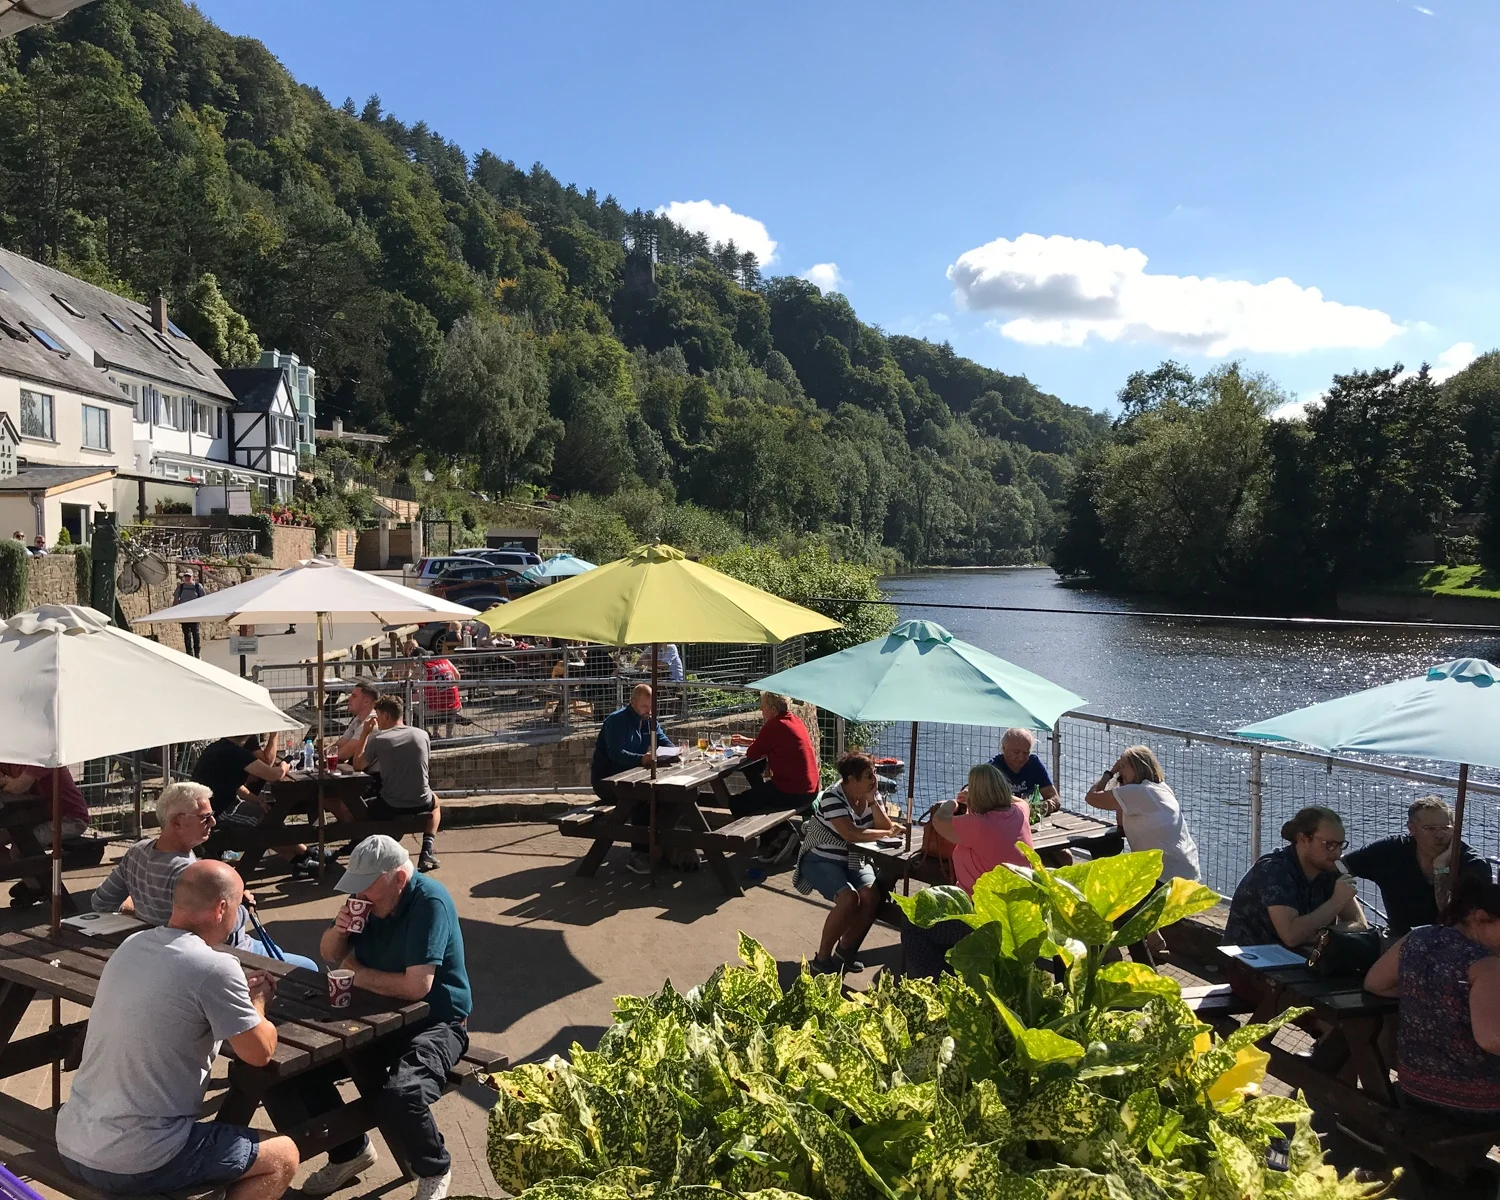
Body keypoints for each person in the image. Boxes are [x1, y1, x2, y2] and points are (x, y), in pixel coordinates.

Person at [56, 860, 300, 1199]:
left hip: (73, 1140)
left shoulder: (132, 945)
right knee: (282, 1154)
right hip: (137, 1158)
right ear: (222, 908)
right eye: (241, 905)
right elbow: (259, 1054)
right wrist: (258, 1001)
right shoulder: (215, 967)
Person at [265, 836, 470, 1199]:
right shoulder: (367, 900)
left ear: (399, 879)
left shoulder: (429, 900)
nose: (358, 895)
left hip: (437, 1021)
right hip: (374, 1017)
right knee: (283, 1073)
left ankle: (435, 1167)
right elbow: (330, 954)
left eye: (366, 886)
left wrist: (356, 972)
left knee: (402, 1093)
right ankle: (349, 1153)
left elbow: (416, 986)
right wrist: (340, 930)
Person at [91, 782, 320, 972]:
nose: (213, 822)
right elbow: (221, 930)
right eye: (205, 817)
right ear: (177, 822)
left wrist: (140, 907)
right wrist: (240, 905)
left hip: (163, 954)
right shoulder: (190, 873)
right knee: (307, 968)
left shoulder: (137, 852)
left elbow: (101, 902)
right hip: (224, 956)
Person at [1365, 875, 1500, 1131]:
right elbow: (1492, 1039)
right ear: (1481, 918)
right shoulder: (1487, 965)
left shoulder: (1417, 938)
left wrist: (1428, 993)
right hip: (1476, 1103)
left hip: (1415, 1087)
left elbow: (1375, 983)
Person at [902, 764, 1032, 978]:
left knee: (914, 922)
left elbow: (939, 821)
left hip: (981, 918)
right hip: (1018, 915)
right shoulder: (1019, 813)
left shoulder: (978, 824)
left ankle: (938, 986)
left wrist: (951, 804)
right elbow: (1021, 801)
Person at [793, 751, 902, 975]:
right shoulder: (833, 797)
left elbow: (885, 825)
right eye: (869, 775)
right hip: (821, 858)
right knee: (848, 899)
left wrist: (872, 802)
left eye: (874, 773)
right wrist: (884, 833)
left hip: (854, 858)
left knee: (872, 896)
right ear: (851, 779)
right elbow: (851, 834)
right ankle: (821, 958)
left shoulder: (870, 792)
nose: (874, 779)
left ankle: (844, 951)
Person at [1344, 796, 1492, 935]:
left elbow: (1452, 918)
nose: (1439, 835)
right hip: (1397, 939)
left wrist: (1440, 868)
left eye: (1446, 828)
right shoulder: (1390, 850)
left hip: (1453, 943)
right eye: (1430, 829)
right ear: (1411, 828)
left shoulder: (1474, 864)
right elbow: (1339, 867)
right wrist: (1347, 905)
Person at [1224, 806, 1366, 949]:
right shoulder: (1274, 870)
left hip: (1300, 957)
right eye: (1330, 845)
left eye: (1341, 845)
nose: (1337, 853)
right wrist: (1337, 902)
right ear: (1303, 839)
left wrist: (1323, 934)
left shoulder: (1330, 868)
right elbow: (1291, 936)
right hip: (1251, 959)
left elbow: (1360, 924)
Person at [192, 734, 320, 879]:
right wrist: (287, 762)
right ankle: (307, 853)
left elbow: (233, 785)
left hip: (213, 806)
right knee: (267, 822)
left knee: (268, 817)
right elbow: (274, 775)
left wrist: (257, 799)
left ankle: (299, 859)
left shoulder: (218, 748)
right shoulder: (236, 753)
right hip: (216, 812)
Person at [351, 694, 442, 873]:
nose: (376, 722)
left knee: (357, 808)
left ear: (385, 716)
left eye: (377, 716)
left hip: (392, 804)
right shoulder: (422, 734)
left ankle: (360, 847)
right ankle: (427, 849)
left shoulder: (379, 739)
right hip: (421, 801)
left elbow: (358, 765)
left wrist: (364, 734)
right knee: (436, 803)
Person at [1083, 745, 1200, 882]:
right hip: (1186, 871)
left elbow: (1091, 797)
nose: (1120, 771)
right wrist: (1123, 782)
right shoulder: (1160, 788)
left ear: (1137, 767)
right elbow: (1121, 823)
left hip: (1164, 876)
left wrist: (1109, 773)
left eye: (1123, 766)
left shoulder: (1140, 792)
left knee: (1108, 882)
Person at [590, 684, 674, 876]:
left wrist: (675, 751)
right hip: (607, 782)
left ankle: (665, 846)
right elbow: (615, 753)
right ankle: (639, 853)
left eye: (651, 707)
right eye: (645, 706)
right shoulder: (616, 721)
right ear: (633, 702)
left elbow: (663, 741)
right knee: (642, 801)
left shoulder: (649, 720)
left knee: (667, 798)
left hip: (635, 778)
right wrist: (640, 759)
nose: (649, 711)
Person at [0, 760, 91, 907]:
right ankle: (33, 880)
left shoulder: (44, 760)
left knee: (21, 847)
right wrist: (8, 781)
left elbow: (20, 786)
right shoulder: (9, 758)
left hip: (70, 819)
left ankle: (36, 887)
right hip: (39, 817)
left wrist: (9, 782)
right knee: (15, 840)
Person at [728, 691, 820, 819]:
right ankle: (778, 833)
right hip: (811, 790)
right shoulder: (795, 720)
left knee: (737, 803)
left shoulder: (774, 725)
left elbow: (752, 753)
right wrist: (748, 741)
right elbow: (775, 743)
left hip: (793, 792)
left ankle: (773, 835)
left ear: (773, 709)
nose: (761, 710)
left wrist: (752, 744)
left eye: (763, 706)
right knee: (758, 794)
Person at [989, 728, 1062, 814]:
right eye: (1016, 752)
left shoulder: (1034, 764)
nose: (1021, 758)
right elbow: (970, 794)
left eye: (1025, 753)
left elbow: (1054, 797)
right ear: (1003, 748)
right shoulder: (992, 769)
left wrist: (1049, 804)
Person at [419, 648, 462, 740]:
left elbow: (417, 683)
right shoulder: (445, 660)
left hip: (435, 707)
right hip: (454, 704)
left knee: (423, 704)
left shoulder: (424, 666)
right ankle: (449, 734)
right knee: (446, 701)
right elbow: (457, 675)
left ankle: (434, 733)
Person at [334, 679, 380, 763]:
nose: (349, 699)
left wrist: (326, 754)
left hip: (371, 774)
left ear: (366, 701)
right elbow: (340, 744)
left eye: (354, 696)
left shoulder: (371, 722)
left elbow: (343, 754)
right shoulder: (358, 719)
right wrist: (325, 752)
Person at [173, 570, 207, 657]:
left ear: (192, 577)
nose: (187, 578)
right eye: (186, 577)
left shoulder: (197, 587)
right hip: (184, 614)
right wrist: (173, 612)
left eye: (189, 576)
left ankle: (197, 653)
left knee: (195, 634)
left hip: (194, 614)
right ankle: (189, 654)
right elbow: (176, 600)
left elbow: (204, 600)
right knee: (186, 635)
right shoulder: (180, 588)